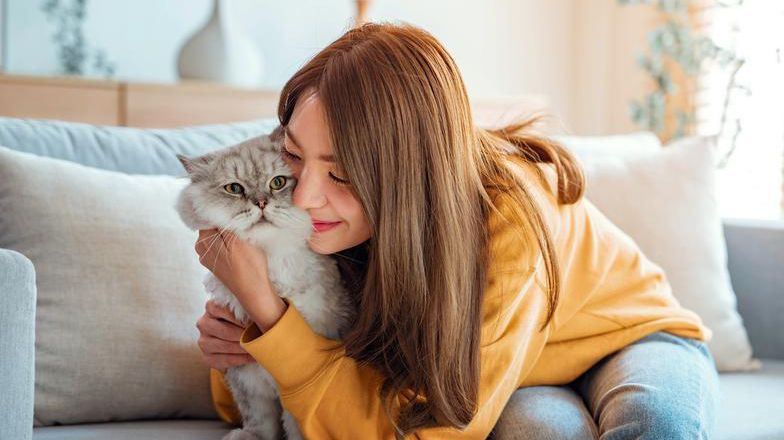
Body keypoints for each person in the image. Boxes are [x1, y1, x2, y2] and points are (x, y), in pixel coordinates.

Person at [193, 21, 720, 439]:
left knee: (656, 426)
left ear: (407, 171)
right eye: (294, 158)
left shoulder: (511, 216)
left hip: (629, 339)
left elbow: (438, 432)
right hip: (516, 370)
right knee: (544, 432)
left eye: (343, 172)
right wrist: (244, 336)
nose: (305, 197)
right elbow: (282, 405)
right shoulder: (323, 221)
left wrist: (270, 316)